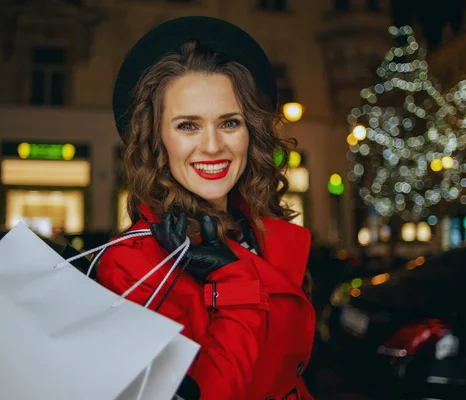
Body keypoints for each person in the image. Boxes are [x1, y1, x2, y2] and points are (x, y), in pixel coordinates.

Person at [98, 16, 315, 400]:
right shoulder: (132, 265)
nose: (213, 146)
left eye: (229, 122)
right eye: (187, 126)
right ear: (156, 137)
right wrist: (233, 284)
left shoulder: (259, 227)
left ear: (251, 131)